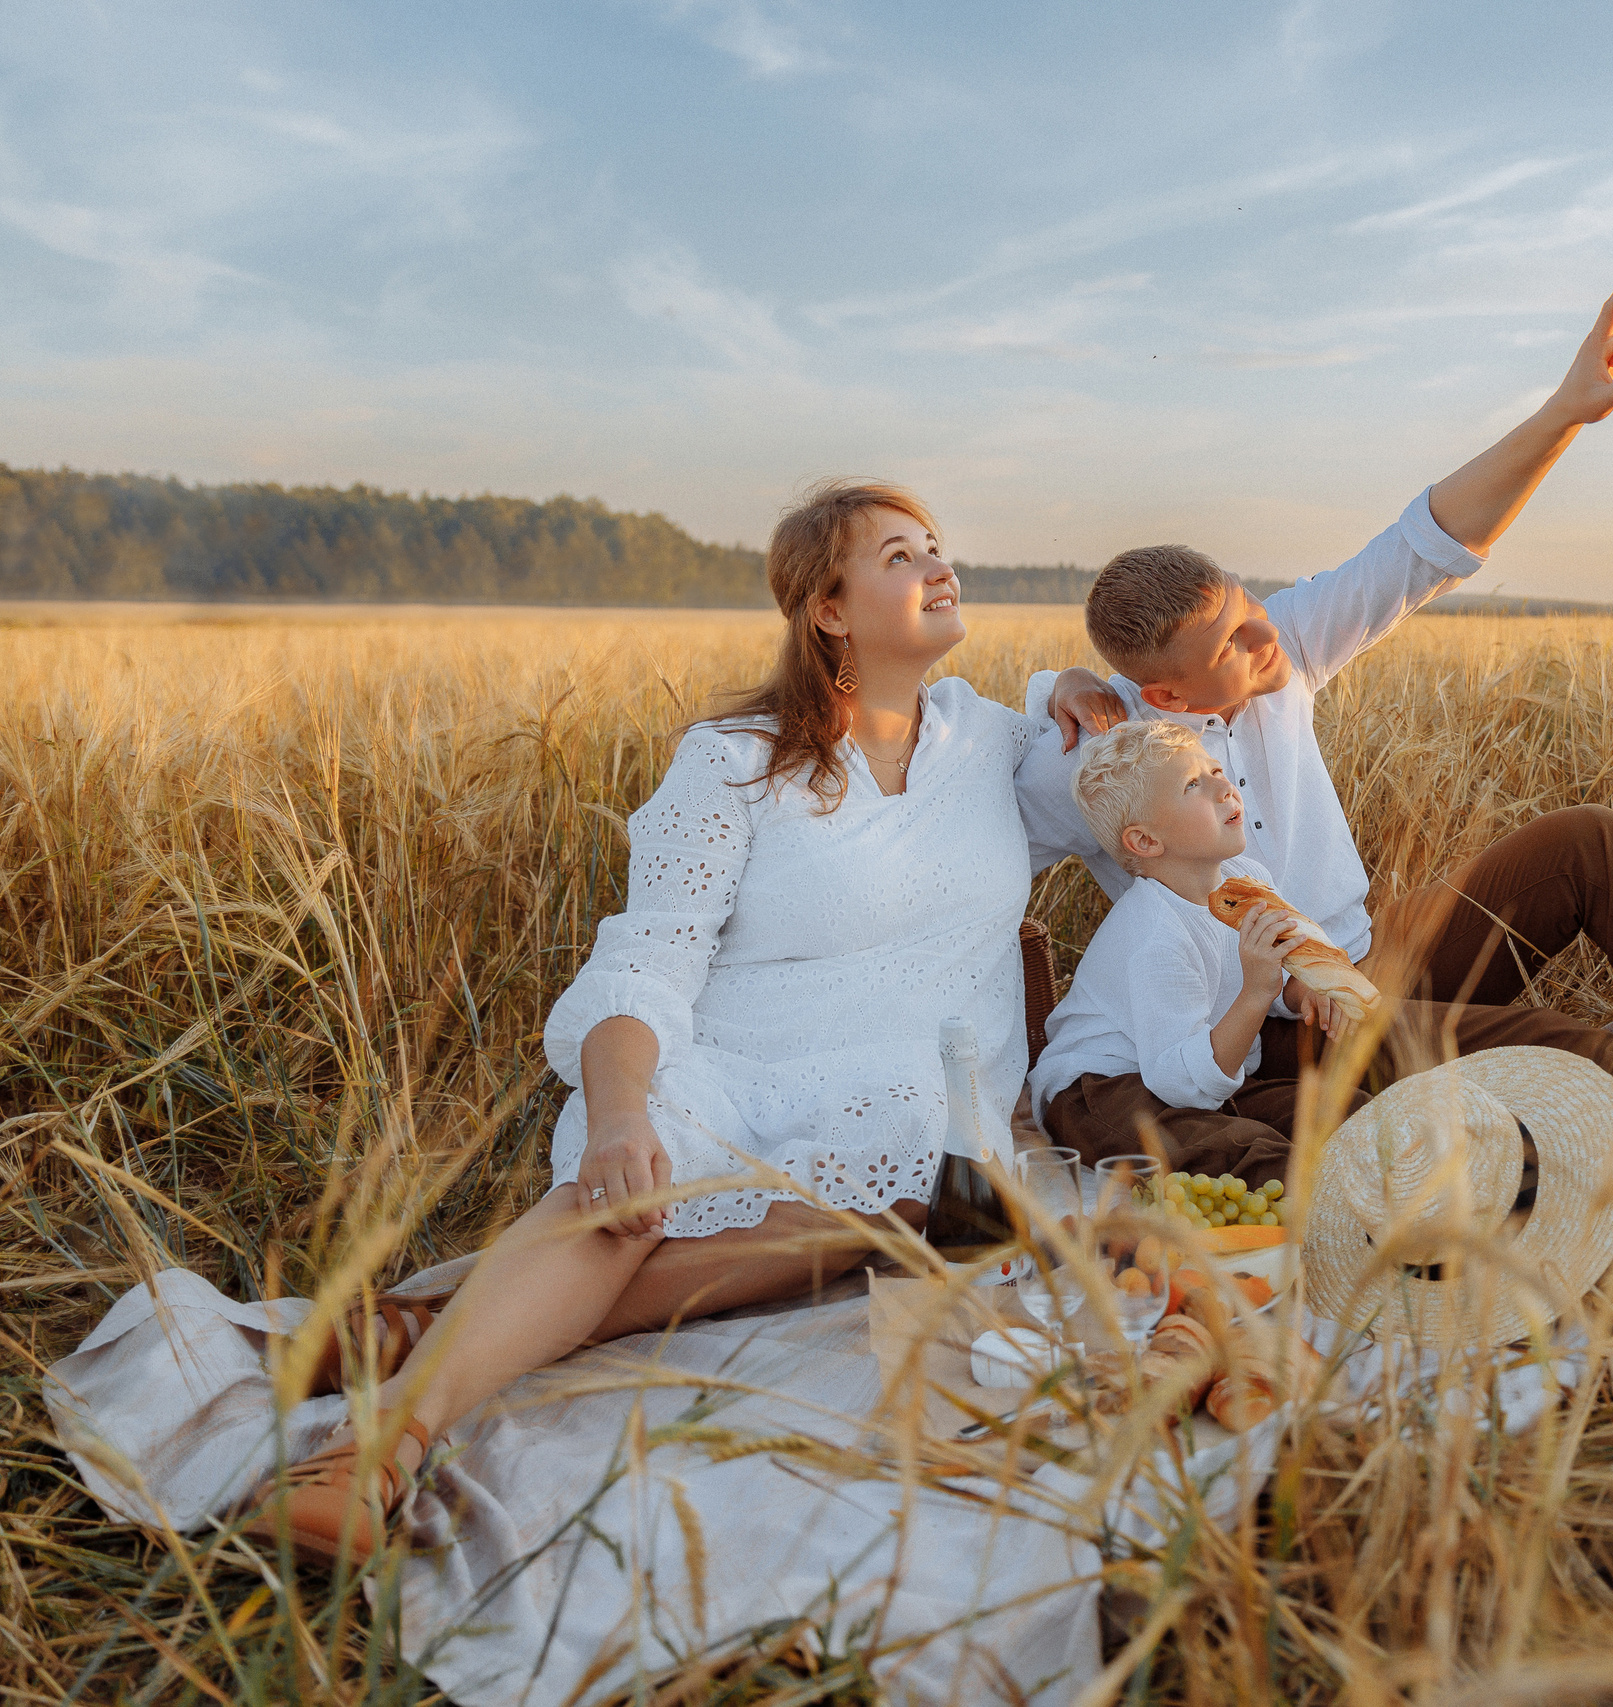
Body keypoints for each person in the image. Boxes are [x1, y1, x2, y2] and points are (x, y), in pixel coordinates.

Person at [245, 478, 1113, 1562]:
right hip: (735, 1061)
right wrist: (620, 1116)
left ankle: (434, 1328)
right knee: (629, 1196)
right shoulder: (734, 759)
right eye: (899, 556)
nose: (941, 567)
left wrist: (1077, 681)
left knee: (907, 1183)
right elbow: (647, 957)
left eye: (937, 545)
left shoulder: (995, 741)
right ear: (828, 608)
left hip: (916, 1092)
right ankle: (373, 1452)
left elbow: (1158, 763)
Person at [1017, 268, 1613, 1083]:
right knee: (1562, 1053)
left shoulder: (1283, 643)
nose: (1265, 634)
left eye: (1248, 602)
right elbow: (957, 819)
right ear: (1165, 696)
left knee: (1591, 843)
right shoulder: (1104, 752)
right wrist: (1048, 690)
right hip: (1287, 1029)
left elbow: (1423, 545)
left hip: (1378, 956)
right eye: (1232, 644)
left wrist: (1564, 412)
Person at [1027, 720, 1350, 1183]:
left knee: (1348, 1115)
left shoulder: (1246, 880)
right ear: (1145, 841)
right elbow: (1180, 1082)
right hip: (1104, 1090)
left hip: (1203, 1065)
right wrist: (1257, 991)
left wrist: (1304, 992)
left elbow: (1281, 968)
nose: (1224, 787)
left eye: (1215, 770)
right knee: (1256, 1160)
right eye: (1193, 785)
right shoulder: (1155, 935)